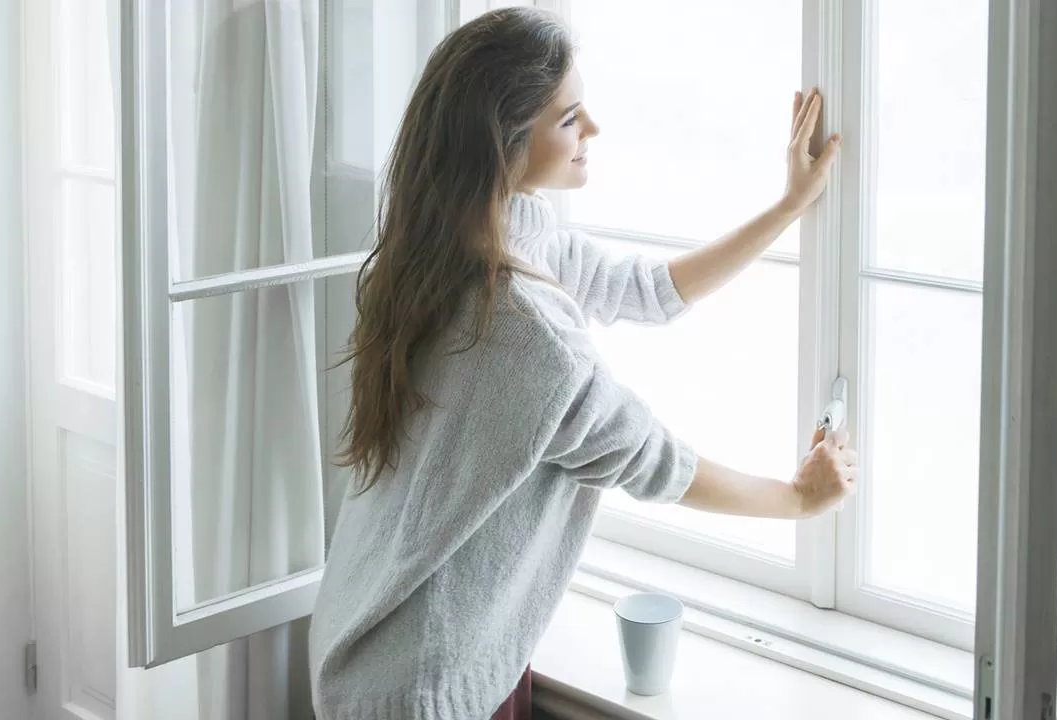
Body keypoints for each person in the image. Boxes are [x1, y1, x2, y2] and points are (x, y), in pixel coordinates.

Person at [308, 7, 855, 719]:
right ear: (502, 141)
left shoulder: (462, 239)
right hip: (422, 688)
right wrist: (798, 500)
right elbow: (653, 461)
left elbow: (647, 291)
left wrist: (788, 207)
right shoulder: (525, 334)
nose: (591, 130)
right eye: (568, 118)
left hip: (370, 640)